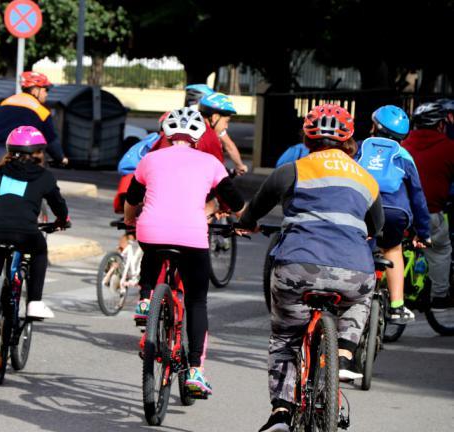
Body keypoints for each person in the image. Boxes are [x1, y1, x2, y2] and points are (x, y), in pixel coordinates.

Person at [236, 104, 384, 432]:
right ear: (350, 142)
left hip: (296, 267)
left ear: (306, 136)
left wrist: (245, 223)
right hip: (353, 270)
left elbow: (255, 210)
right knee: (361, 299)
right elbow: (379, 226)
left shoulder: (291, 170)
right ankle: (343, 355)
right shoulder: (366, 179)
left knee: (286, 337)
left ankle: (280, 413)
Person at [124, 107, 246, 396]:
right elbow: (236, 202)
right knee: (196, 301)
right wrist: (247, 224)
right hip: (191, 237)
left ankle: (145, 299)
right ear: (199, 135)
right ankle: (194, 371)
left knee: (151, 251)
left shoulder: (150, 160)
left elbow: (132, 198)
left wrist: (130, 220)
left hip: (152, 233)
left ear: (166, 132)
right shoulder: (211, 163)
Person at [0, 126, 69, 359]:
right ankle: (34, 302)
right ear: (39, 152)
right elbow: (58, 205)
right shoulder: (44, 176)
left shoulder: (0, 173)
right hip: (25, 232)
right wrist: (62, 220)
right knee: (40, 252)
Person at [357, 105, 431, 324]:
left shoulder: (361, 148)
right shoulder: (404, 156)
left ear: (375, 127)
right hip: (395, 212)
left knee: (359, 246)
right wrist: (423, 232)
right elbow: (417, 196)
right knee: (392, 248)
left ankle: (352, 297)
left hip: (363, 207)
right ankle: (397, 307)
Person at [403, 101, 454, 311]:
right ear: (440, 124)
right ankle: (438, 296)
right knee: (441, 250)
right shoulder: (449, 148)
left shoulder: (403, 145)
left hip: (402, 214)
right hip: (432, 211)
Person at [0, 71, 67, 169]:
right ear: (35, 90)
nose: (47, 94)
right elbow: (51, 141)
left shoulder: (6, 102)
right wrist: (61, 158)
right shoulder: (41, 111)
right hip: (11, 156)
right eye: (46, 90)